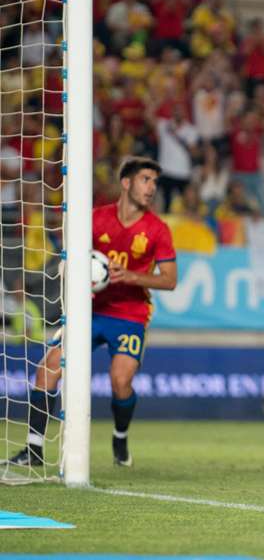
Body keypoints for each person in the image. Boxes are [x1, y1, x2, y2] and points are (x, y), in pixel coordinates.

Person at [4, 157, 177, 468]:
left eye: (154, 182)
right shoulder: (96, 219)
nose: (151, 188)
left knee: (120, 380)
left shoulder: (157, 229)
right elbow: (71, 255)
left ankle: (120, 437)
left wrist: (132, 276)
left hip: (130, 314)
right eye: (145, 180)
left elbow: (170, 279)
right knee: (48, 368)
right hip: (88, 310)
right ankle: (33, 449)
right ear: (127, 183)